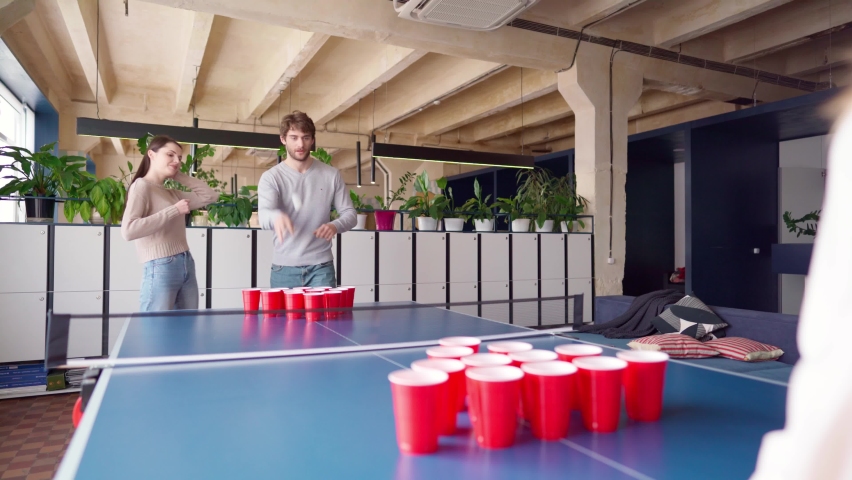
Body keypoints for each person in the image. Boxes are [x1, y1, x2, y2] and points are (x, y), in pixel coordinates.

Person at [258, 111, 356, 288]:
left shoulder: (331, 175)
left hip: (321, 268)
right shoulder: (271, 177)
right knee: (283, 318)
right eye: (294, 137)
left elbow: (350, 214)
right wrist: (275, 217)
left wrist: (335, 226)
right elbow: (264, 215)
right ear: (283, 139)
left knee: (324, 317)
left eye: (306, 137)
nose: (300, 144)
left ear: (312, 140)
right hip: (284, 269)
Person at [121, 135, 218, 311]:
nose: (176, 160)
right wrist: (173, 210)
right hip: (160, 265)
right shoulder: (141, 186)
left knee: (186, 328)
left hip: (186, 262)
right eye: (170, 155)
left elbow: (210, 196)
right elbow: (128, 230)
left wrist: (177, 175)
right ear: (151, 154)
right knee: (156, 330)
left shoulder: (172, 192)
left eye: (179, 158)